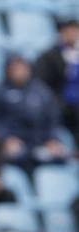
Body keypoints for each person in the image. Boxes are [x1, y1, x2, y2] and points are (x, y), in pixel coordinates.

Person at [0, 55, 68, 172]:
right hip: (13, 142)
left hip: (40, 141)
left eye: (23, 68)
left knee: (60, 157)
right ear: (7, 70)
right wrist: (5, 139)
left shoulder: (42, 91)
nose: (20, 72)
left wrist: (53, 139)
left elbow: (53, 119)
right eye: (16, 68)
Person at [36, 19, 79, 147]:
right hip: (59, 105)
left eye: (75, 31)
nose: (72, 34)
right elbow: (42, 83)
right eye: (68, 31)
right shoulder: (49, 56)